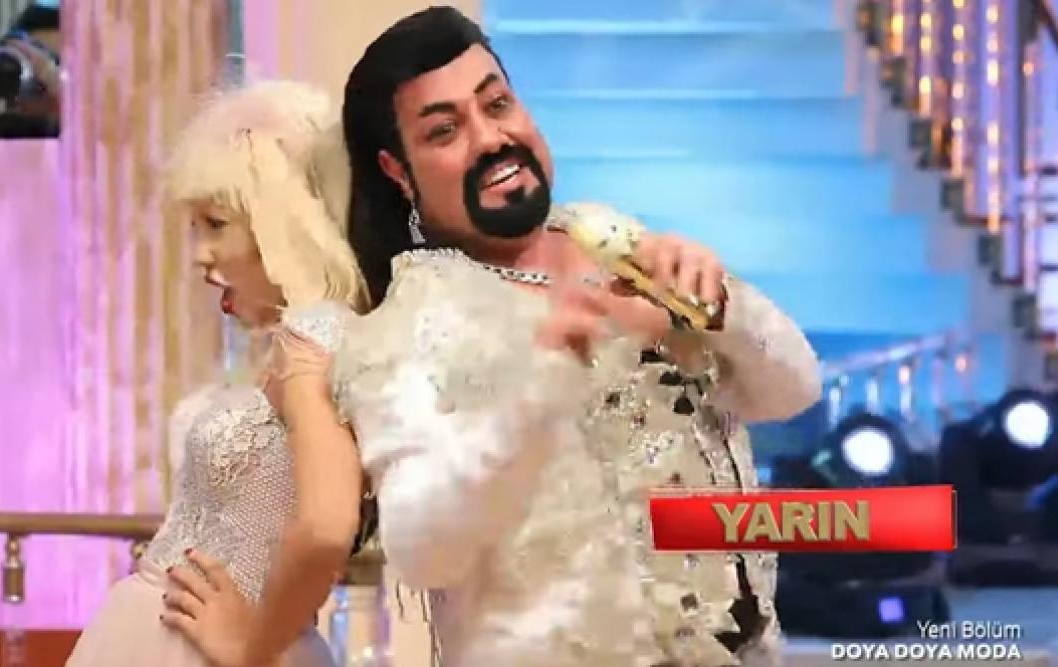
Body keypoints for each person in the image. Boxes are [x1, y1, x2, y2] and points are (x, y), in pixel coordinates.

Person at [328, 7, 822, 667]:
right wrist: (539, 393)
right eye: (445, 130)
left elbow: (796, 389)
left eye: (497, 104)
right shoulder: (412, 324)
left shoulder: (615, 243)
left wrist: (722, 307)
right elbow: (422, 548)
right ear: (398, 171)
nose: (490, 139)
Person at [64, 80, 368, 667]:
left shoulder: (317, 334)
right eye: (195, 227)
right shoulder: (302, 340)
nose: (200, 254)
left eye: (216, 223)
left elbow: (328, 528)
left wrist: (249, 648)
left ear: (282, 224)